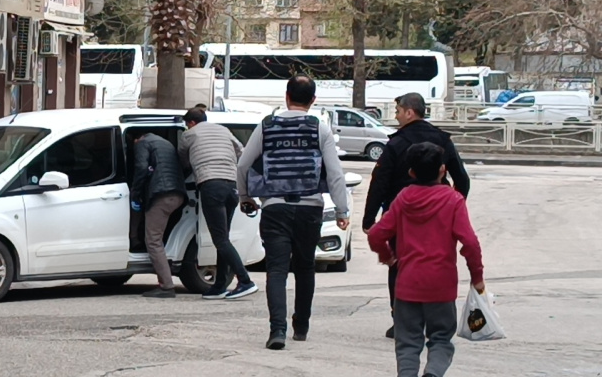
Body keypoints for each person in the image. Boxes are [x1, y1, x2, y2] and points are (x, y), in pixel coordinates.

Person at [367, 142, 484, 377]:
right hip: (441, 285)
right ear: (443, 170)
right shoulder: (453, 200)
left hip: (406, 284)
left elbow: (376, 234)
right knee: (441, 339)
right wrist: (477, 276)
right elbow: (469, 242)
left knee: (407, 344)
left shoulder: (404, 198)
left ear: (410, 171)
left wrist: (389, 257)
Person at [237, 75, 350, 350]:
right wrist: (342, 210)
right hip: (310, 208)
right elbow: (334, 173)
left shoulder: (266, 125)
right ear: (313, 100)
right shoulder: (318, 128)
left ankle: (277, 330)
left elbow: (242, 165)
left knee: (276, 270)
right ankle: (301, 326)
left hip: (275, 207)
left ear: (286, 96)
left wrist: (245, 196)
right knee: (305, 267)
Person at [363, 93, 471, 339]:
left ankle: (400, 318)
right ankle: (434, 316)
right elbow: (462, 179)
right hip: (439, 214)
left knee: (398, 264)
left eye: (399, 110)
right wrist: (454, 205)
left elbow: (379, 182)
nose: (397, 115)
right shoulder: (443, 140)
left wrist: (369, 220)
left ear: (410, 112)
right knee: (436, 260)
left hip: (401, 214)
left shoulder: (396, 144)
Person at [178, 108, 258, 300]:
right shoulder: (223, 130)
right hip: (232, 186)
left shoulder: (189, 134)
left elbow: (181, 159)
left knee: (220, 239)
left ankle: (245, 280)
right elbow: (241, 151)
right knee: (224, 238)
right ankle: (220, 285)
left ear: (190, 123)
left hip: (211, 185)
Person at [132, 132, 188, 299]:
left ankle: (166, 286)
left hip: (161, 195)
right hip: (177, 194)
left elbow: (141, 167)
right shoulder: (166, 143)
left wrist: (135, 193)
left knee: (153, 240)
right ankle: (135, 239)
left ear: (136, 139)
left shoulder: (142, 143)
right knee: (157, 235)